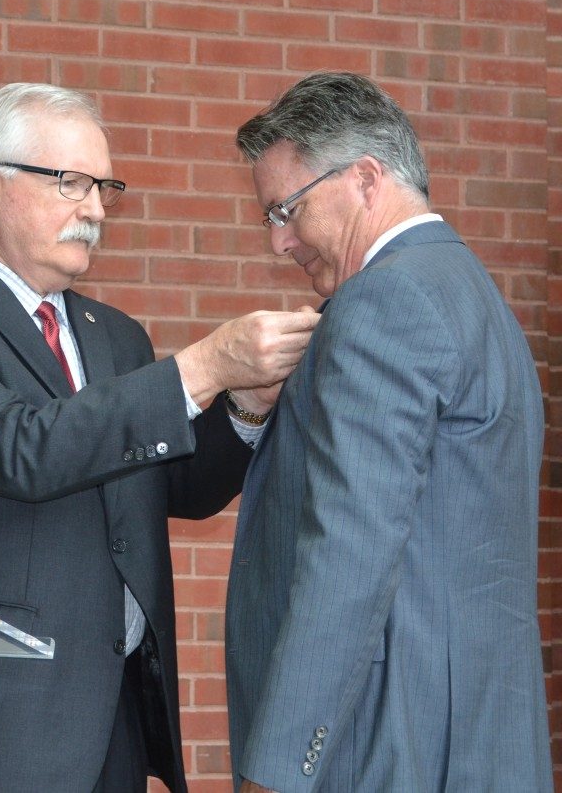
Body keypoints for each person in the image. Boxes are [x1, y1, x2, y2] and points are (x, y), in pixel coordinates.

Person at [0, 83, 320, 793]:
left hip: (112, 723)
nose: (97, 209)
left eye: (104, 187)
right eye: (71, 182)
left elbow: (176, 488)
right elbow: (16, 448)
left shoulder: (117, 336)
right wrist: (201, 367)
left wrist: (245, 406)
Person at [225, 72, 551, 791]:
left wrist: (279, 768)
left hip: (387, 744)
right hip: (476, 739)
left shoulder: (385, 299)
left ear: (366, 179)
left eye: (287, 209)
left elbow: (350, 547)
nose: (280, 241)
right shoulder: (471, 294)